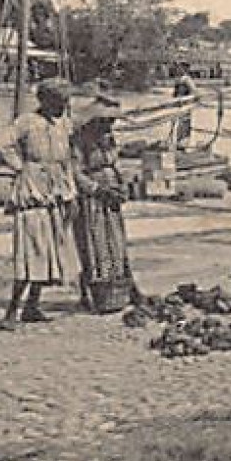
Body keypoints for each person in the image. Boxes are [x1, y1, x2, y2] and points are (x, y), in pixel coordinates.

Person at [0, 80, 79, 328]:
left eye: (65, 102)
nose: (63, 106)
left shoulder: (63, 124)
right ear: (45, 101)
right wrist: (20, 167)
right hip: (32, 190)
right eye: (59, 102)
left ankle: (32, 305)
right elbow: (0, 144)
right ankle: (11, 311)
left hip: (56, 190)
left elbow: (67, 162)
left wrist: (71, 193)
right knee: (31, 249)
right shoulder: (27, 122)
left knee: (50, 247)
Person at [69, 91, 142, 313]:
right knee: (93, 242)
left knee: (116, 242)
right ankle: (92, 291)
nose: (110, 125)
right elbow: (75, 172)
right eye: (106, 121)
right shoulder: (79, 140)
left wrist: (123, 184)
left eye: (112, 121)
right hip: (92, 197)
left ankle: (123, 287)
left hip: (111, 194)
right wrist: (97, 189)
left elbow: (115, 164)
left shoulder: (109, 140)